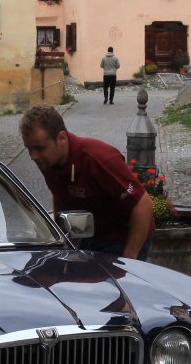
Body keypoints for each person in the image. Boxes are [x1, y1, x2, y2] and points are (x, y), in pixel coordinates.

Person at [19, 104, 154, 260]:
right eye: (29, 148)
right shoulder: (48, 161)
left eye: (39, 148)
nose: (33, 156)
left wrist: (130, 257)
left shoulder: (98, 159)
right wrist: (60, 236)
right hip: (91, 234)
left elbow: (143, 205)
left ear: (62, 138)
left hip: (124, 236)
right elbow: (60, 194)